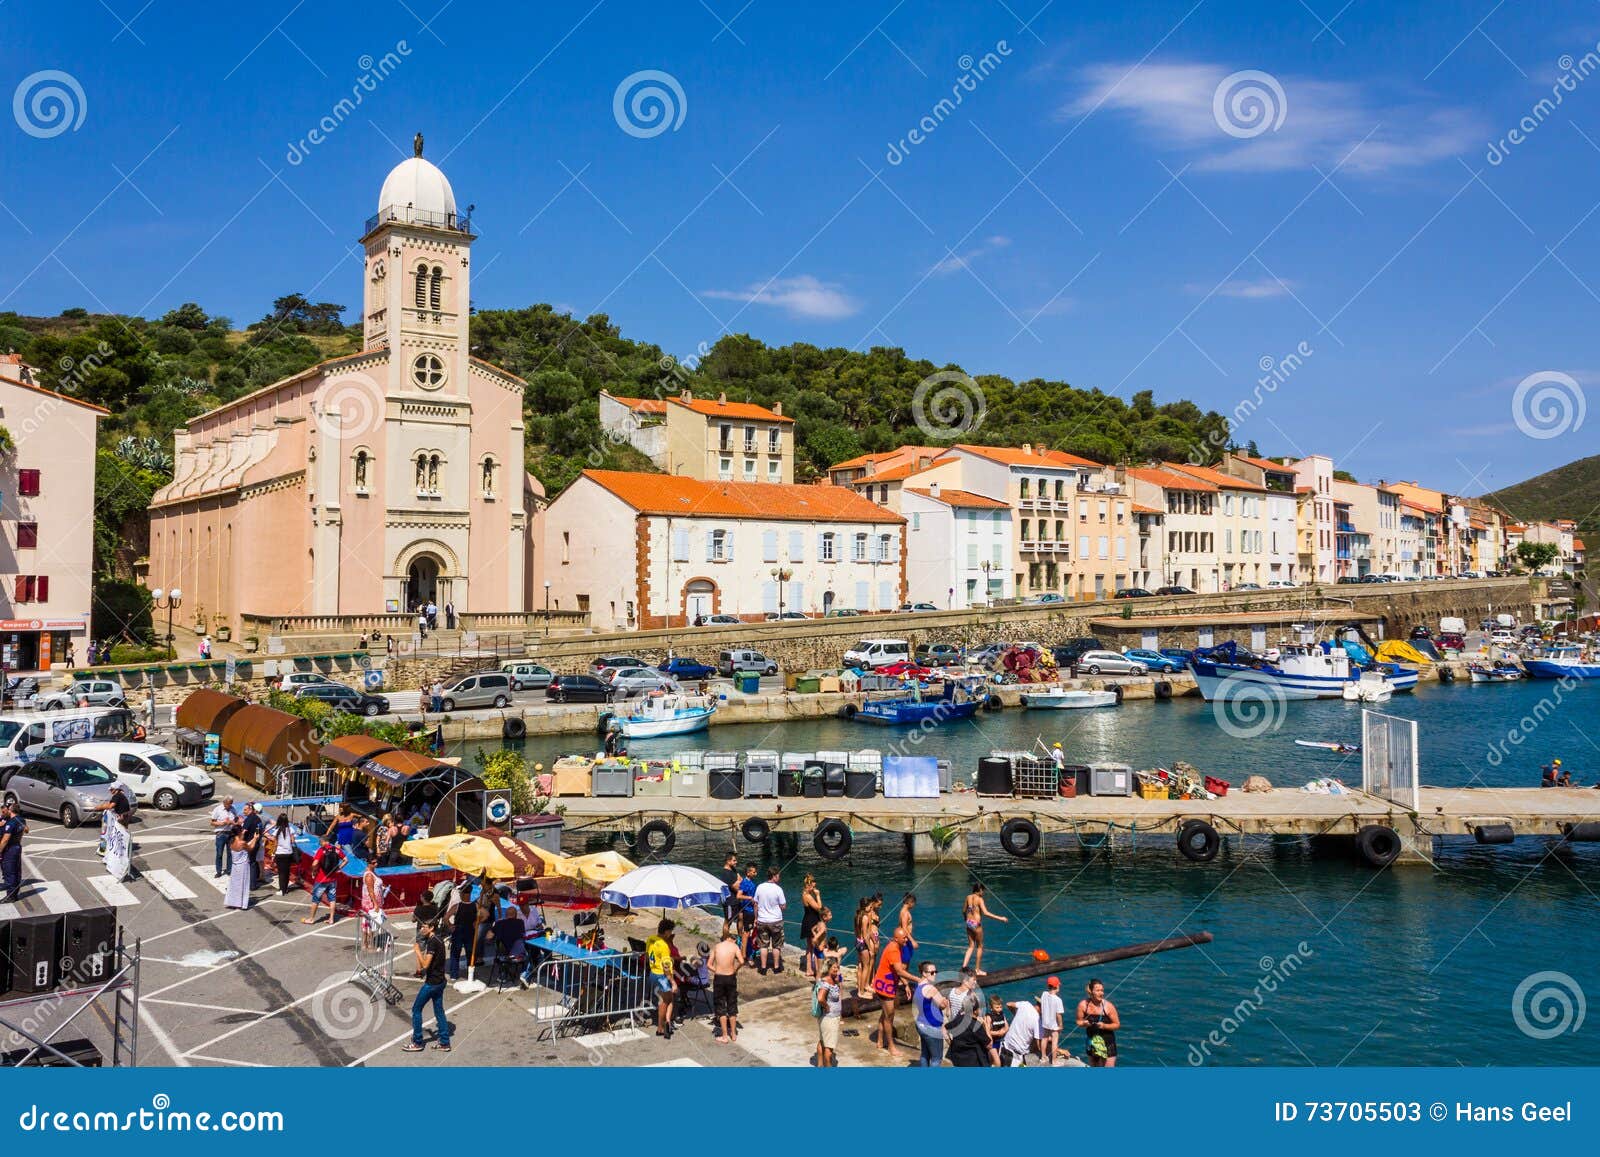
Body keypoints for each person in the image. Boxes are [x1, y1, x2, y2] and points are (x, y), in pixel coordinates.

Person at [403, 918, 451, 1053]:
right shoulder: (438, 940)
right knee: (439, 1011)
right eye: (421, 927)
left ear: (432, 928)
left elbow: (425, 965)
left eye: (424, 927)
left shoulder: (432, 943)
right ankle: (444, 1042)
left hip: (432, 983)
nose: (422, 929)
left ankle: (418, 1041)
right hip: (440, 981)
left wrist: (417, 951)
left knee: (416, 1009)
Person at [870, 926, 916, 1061]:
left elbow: (896, 970)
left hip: (886, 983)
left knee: (885, 1013)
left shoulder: (898, 946)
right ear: (896, 939)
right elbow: (900, 971)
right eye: (904, 938)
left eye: (907, 937)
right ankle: (891, 1046)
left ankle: (879, 1040)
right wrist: (918, 979)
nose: (906, 939)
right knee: (889, 1016)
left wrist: (906, 984)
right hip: (884, 986)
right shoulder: (893, 950)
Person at [708, 921, 744, 1044]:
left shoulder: (717, 947)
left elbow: (709, 964)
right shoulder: (734, 947)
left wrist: (716, 970)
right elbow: (742, 961)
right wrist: (735, 969)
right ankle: (733, 1034)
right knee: (732, 1005)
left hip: (719, 977)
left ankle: (724, 1035)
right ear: (731, 938)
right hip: (730, 977)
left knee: (721, 1006)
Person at [961, 881, 1007, 976]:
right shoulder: (979, 899)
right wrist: (1000, 918)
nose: (983, 893)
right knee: (980, 946)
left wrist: (966, 919)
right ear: (980, 890)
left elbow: (963, 910)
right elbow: (986, 913)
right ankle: (977, 970)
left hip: (969, 923)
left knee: (970, 946)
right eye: (983, 891)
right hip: (976, 924)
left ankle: (963, 967)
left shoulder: (968, 897)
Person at [645, 918, 678, 1039]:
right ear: (667, 932)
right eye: (670, 931)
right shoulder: (664, 946)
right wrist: (673, 982)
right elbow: (665, 967)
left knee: (669, 1000)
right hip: (662, 976)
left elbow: (648, 956)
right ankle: (661, 1027)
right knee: (664, 1002)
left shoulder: (651, 939)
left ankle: (668, 1022)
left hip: (653, 973)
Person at [913, 961, 950, 1067]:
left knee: (925, 1054)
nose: (935, 974)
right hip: (932, 1027)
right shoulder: (931, 988)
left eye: (936, 972)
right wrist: (945, 1001)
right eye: (932, 972)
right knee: (936, 1058)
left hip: (920, 1023)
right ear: (924, 973)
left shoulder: (918, 986)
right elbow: (942, 1005)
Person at [301, 835, 344, 925]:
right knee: (332, 899)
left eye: (320, 842)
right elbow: (346, 860)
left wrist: (314, 871)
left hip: (321, 879)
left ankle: (311, 918)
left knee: (316, 899)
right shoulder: (336, 850)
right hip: (333, 878)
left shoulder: (321, 851)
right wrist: (338, 868)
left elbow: (314, 863)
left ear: (324, 841)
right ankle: (331, 919)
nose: (320, 844)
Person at [1077, 979, 1120, 1067]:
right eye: (1098, 990)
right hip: (1092, 1042)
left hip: (1108, 1043)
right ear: (1091, 991)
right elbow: (1078, 1021)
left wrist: (1103, 1026)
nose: (1101, 993)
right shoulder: (1083, 1005)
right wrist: (1084, 1024)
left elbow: (1117, 1024)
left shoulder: (1108, 1006)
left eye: (1102, 990)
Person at [754, 867, 787, 974]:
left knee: (763, 945)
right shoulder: (778, 889)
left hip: (762, 920)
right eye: (778, 875)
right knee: (776, 945)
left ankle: (763, 968)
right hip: (776, 921)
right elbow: (783, 906)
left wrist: (756, 917)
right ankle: (776, 967)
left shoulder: (760, 887)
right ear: (774, 876)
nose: (779, 877)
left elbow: (755, 904)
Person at [815, 956, 844, 1068]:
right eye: (834, 968)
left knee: (822, 1041)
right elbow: (821, 998)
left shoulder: (830, 979)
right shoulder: (827, 982)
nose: (836, 970)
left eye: (837, 967)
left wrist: (837, 978)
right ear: (828, 968)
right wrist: (827, 1007)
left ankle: (820, 1065)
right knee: (829, 1049)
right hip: (829, 1018)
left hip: (825, 1018)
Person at [447, 882, 478, 980]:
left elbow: (445, 917)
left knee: (455, 953)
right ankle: (470, 974)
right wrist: (477, 922)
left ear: (463, 894)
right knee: (470, 952)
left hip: (458, 930)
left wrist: (450, 925)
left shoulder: (457, 906)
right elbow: (485, 914)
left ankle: (454, 974)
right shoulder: (476, 905)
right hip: (470, 930)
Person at [1000, 996, 1042, 1066]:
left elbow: (1009, 1004)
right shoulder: (1038, 1021)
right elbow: (1039, 1046)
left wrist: (1016, 1015)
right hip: (1015, 1057)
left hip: (1004, 1046)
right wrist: (1058, 1050)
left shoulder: (1026, 1004)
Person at [0, 801, 27, 902]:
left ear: (10, 809)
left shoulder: (11, 823)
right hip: (17, 847)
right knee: (16, 871)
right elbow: (27, 829)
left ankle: (11, 896)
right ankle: (14, 894)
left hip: (9, 849)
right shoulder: (20, 820)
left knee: (10, 872)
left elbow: (5, 840)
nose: (3, 811)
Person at [268, 813, 299, 896]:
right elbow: (293, 841)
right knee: (286, 871)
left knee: (281, 872)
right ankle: (285, 888)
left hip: (280, 853)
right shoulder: (290, 829)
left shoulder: (277, 831)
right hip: (288, 853)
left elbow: (275, 844)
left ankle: (282, 890)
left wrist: (273, 854)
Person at [799, 874, 823, 976]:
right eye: (813, 886)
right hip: (811, 922)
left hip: (808, 920)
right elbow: (819, 907)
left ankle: (809, 969)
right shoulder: (808, 896)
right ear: (808, 885)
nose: (814, 888)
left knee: (809, 946)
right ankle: (816, 969)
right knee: (816, 945)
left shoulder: (804, 894)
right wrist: (818, 895)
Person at [224, 826, 252, 910]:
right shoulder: (242, 843)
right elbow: (250, 848)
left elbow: (241, 843)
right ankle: (241, 903)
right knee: (243, 884)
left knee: (234, 884)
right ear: (239, 832)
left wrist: (242, 834)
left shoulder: (231, 841)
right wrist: (255, 838)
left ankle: (233, 902)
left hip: (235, 865)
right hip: (243, 866)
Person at [1039, 976, 1065, 1063]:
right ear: (1057, 986)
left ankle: (1043, 1057)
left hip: (1045, 1022)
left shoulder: (1044, 994)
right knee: (1054, 1041)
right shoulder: (1058, 1000)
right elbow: (1058, 1015)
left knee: (1044, 1038)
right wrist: (1060, 1025)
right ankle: (1054, 1061)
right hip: (1054, 1024)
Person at [209, 796, 237, 878]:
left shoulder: (233, 808)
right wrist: (222, 823)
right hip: (221, 833)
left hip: (230, 833)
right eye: (228, 804)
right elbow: (212, 822)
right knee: (219, 853)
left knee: (230, 853)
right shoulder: (218, 809)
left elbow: (236, 819)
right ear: (224, 803)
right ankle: (218, 871)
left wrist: (232, 822)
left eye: (231, 803)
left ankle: (229, 870)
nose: (230, 805)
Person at [239, 802, 263, 887]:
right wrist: (256, 839)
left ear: (250, 809)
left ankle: (251, 884)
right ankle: (254, 881)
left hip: (249, 845)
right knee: (253, 862)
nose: (243, 811)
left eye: (245, 810)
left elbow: (244, 832)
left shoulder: (248, 820)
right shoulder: (258, 819)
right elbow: (258, 831)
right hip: (256, 843)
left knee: (250, 863)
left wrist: (239, 841)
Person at [983, 993, 1008, 1067]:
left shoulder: (1002, 1014)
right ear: (991, 1007)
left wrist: (1004, 1031)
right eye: (997, 1007)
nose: (999, 1009)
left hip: (999, 1041)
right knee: (997, 1061)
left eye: (1000, 1007)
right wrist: (998, 1033)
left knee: (992, 1060)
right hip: (991, 1042)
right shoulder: (989, 1017)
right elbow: (987, 1031)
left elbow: (1007, 1026)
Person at [718, 852, 740, 926]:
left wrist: (738, 882)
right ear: (728, 861)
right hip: (730, 902)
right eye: (734, 860)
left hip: (735, 900)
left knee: (739, 918)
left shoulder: (733, 870)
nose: (736, 862)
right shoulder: (726, 874)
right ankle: (726, 937)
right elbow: (736, 887)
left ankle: (738, 936)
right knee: (728, 921)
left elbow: (741, 880)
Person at [897, 892, 919, 967]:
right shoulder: (905, 913)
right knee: (904, 964)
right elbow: (904, 928)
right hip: (905, 940)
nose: (914, 905)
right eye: (913, 903)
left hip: (906, 939)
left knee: (906, 962)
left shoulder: (903, 911)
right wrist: (913, 941)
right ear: (909, 902)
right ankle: (902, 978)